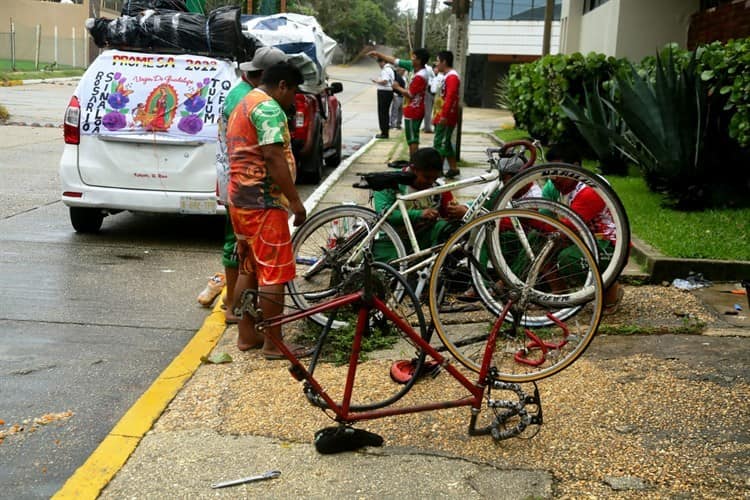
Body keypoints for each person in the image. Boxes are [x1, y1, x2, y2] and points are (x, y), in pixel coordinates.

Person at [226, 61, 312, 358]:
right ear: (283, 86)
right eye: (294, 92)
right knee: (274, 274)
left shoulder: (244, 102)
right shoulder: (268, 108)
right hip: (264, 202)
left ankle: (246, 335)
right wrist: (296, 202)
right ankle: (274, 343)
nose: (293, 99)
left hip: (240, 200)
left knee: (248, 268)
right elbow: (273, 157)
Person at [207, 46, 288, 325]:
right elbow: (270, 153)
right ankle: (237, 311)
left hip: (240, 187)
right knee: (246, 255)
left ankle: (243, 321)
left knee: (247, 257)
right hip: (252, 192)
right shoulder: (253, 101)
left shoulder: (243, 95)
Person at [543, 143, 624, 314]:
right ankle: (560, 294)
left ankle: (611, 291)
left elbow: (567, 227)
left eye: (558, 171)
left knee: (568, 259)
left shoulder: (590, 190)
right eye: (551, 171)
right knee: (538, 239)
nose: (553, 178)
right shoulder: (561, 187)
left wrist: (531, 220)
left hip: (607, 245)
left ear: (575, 167)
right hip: (583, 239)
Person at [372, 147, 468, 262]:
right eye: (426, 177)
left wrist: (460, 211)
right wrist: (419, 214)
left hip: (422, 239)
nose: (430, 182)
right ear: (413, 169)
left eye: (434, 178)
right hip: (390, 241)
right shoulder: (389, 184)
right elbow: (385, 214)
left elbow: (449, 214)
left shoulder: (439, 187)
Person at [368, 48, 430, 159]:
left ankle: (414, 164)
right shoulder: (412, 66)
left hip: (414, 110)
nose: (411, 59)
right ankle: (413, 163)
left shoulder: (420, 76)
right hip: (410, 109)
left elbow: (410, 94)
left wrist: (397, 87)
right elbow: (394, 60)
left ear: (419, 60)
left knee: (412, 139)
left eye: (414, 57)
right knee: (410, 138)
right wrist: (378, 53)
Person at [431, 50, 461, 179]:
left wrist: (444, 115)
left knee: (440, 143)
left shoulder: (452, 77)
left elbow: (450, 97)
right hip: (442, 115)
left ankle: (438, 170)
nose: (436, 64)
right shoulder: (446, 75)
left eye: (438, 61)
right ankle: (453, 168)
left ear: (444, 62)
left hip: (446, 117)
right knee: (446, 143)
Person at [371, 57, 395, 139]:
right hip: (387, 92)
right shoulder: (390, 69)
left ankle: (384, 132)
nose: (379, 65)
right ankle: (385, 131)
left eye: (380, 63)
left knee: (382, 113)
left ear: (383, 62)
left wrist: (376, 81)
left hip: (384, 92)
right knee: (385, 113)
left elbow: (385, 81)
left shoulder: (386, 70)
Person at [422, 62, 435, 134]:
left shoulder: (426, 68)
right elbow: (433, 76)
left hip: (427, 89)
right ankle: (427, 127)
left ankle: (426, 127)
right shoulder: (429, 68)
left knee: (427, 111)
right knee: (428, 111)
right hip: (428, 89)